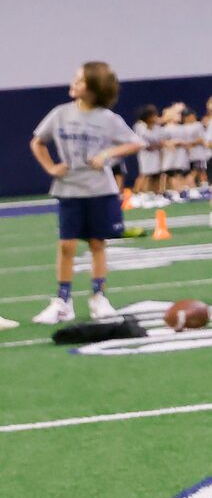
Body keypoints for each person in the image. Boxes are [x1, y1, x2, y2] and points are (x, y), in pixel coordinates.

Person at [30, 62, 141, 329]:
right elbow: (37, 141)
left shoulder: (107, 118)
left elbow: (136, 142)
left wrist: (107, 155)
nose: (74, 83)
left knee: (97, 244)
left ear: (92, 89)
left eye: (80, 80)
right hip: (68, 189)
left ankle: (99, 297)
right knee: (66, 245)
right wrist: (50, 167)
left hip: (100, 190)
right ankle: (63, 302)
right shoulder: (60, 114)